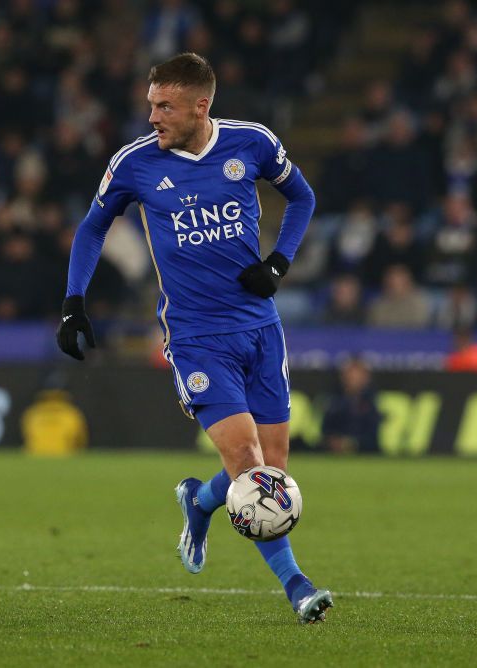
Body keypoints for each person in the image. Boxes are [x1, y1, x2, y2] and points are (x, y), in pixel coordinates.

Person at [54, 53, 330, 623]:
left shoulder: (250, 143)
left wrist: (278, 264)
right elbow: (92, 226)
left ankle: (199, 502)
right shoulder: (133, 163)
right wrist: (73, 302)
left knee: (272, 470)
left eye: (164, 106)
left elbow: (302, 198)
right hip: (197, 337)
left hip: (259, 328)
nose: (152, 116)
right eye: (151, 104)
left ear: (200, 106)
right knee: (249, 462)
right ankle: (298, 587)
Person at [322, 359, 381, 454]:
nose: (352, 380)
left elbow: (374, 436)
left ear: (366, 378)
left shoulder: (373, 403)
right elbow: (325, 431)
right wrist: (333, 442)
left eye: (356, 376)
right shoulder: (333, 402)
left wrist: (352, 444)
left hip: (366, 454)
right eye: (349, 376)